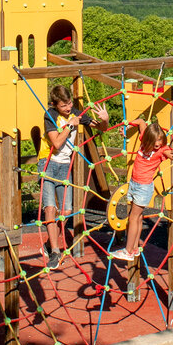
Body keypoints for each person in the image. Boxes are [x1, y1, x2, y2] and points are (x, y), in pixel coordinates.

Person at [40, 84, 109, 266]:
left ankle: (49, 243)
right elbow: (56, 143)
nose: (68, 108)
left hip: (64, 165)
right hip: (48, 163)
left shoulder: (75, 114)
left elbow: (102, 128)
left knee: (67, 211)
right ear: (55, 105)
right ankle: (55, 251)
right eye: (64, 106)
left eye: (69, 103)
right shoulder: (50, 115)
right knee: (50, 208)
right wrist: (70, 127)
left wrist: (104, 120)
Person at [108, 121, 173, 261]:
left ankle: (127, 251)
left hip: (143, 187)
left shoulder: (163, 150)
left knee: (133, 217)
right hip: (134, 183)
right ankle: (134, 248)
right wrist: (127, 126)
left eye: (160, 139)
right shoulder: (144, 139)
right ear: (148, 139)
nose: (158, 143)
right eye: (155, 140)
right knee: (137, 217)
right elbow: (140, 121)